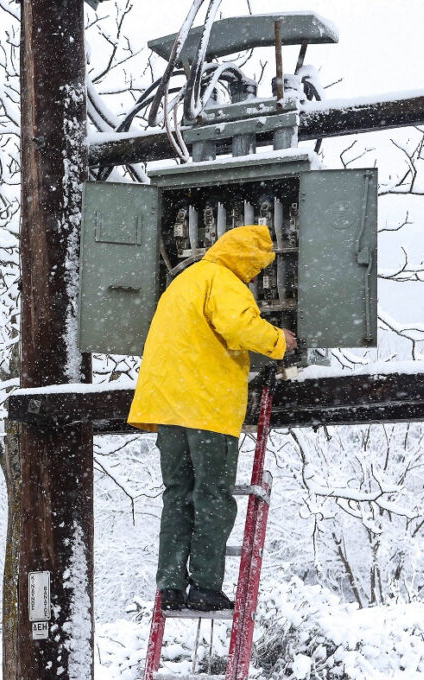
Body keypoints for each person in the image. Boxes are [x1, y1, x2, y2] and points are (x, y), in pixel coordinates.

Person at [127, 224, 297, 612]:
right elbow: (239, 326)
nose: (255, 275)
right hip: (206, 407)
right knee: (212, 497)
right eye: (256, 266)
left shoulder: (184, 283)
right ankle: (205, 586)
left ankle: (170, 584)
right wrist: (278, 341)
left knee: (177, 497)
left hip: (167, 408)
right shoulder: (224, 281)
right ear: (245, 260)